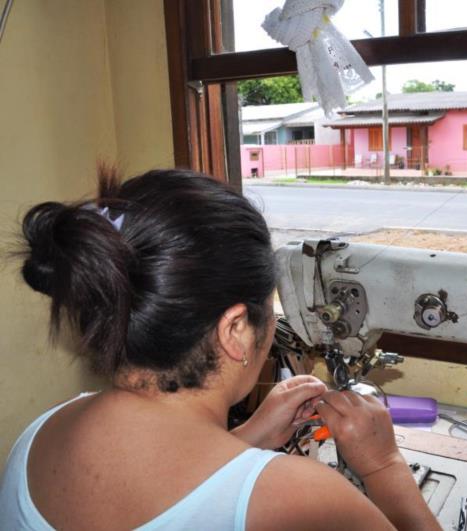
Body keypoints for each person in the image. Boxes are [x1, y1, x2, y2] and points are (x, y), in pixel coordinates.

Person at [0, 168, 441, 531]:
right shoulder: (302, 499)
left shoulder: (37, 439)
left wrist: (248, 438)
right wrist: (384, 465)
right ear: (236, 329)